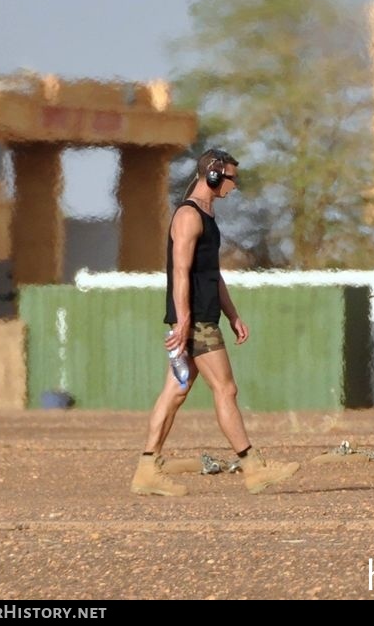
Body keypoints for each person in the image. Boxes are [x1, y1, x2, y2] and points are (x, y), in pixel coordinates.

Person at [129, 148, 300, 497]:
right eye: (231, 179)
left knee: (175, 392)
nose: (234, 186)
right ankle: (252, 467)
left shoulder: (208, 217)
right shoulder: (188, 217)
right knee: (226, 389)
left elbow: (212, 274)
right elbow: (180, 271)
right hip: (196, 323)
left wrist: (233, 313)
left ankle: (147, 469)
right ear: (213, 175)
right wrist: (184, 320)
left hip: (203, 317)